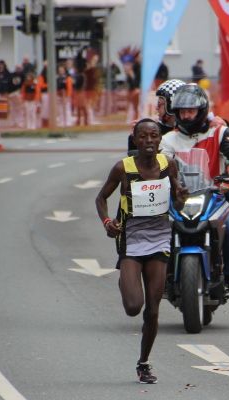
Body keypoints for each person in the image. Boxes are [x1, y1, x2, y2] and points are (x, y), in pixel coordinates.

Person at [95, 118, 188, 384]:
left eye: (154, 136)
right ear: (135, 141)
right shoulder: (122, 168)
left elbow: (177, 202)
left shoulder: (168, 165)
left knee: (153, 310)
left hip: (159, 238)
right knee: (134, 307)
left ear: (160, 140)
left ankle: (144, 363)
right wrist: (106, 223)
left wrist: (180, 198)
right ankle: (127, 280)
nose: (149, 141)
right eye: (144, 137)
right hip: (131, 239)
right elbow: (101, 198)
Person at [160, 84, 229, 299]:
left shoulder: (220, 131)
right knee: (159, 228)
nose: (186, 115)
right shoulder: (168, 139)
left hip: (214, 194)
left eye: (191, 111)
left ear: (201, 111)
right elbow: (160, 163)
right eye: (182, 111)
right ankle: (163, 275)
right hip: (178, 196)